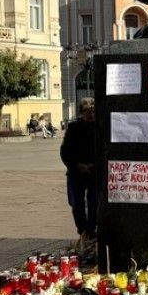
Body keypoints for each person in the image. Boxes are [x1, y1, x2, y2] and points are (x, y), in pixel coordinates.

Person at [60, 98, 98, 247]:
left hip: (95, 172)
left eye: (94, 111)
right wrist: (77, 165)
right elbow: (65, 151)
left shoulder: (100, 127)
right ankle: (82, 231)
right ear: (82, 113)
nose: (91, 114)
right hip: (76, 172)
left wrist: (95, 165)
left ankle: (91, 231)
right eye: (88, 111)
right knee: (76, 204)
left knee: (94, 203)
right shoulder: (74, 128)